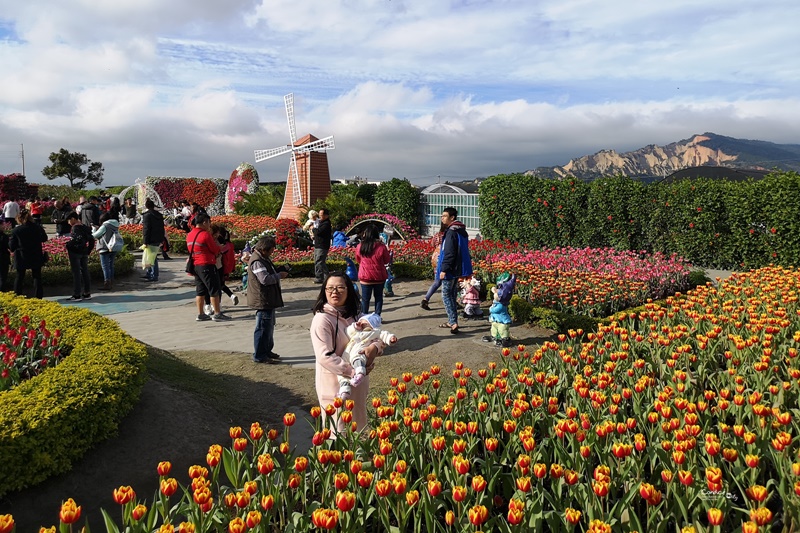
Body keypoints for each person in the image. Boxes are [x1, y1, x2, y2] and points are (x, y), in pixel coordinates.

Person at [310, 273, 385, 433]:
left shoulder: (356, 316)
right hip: (334, 383)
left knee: (357, 429)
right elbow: (325, 356)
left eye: (340, 288)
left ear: (349, 291)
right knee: (338, 431)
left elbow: (375, 337)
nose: (334, 292)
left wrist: (374, 349)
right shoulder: (322, 319)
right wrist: (352, 372)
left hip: (358, 383)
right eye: (330, 288)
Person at [247, 235, 290, 363]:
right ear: (264, 249)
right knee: (262, 328)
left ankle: (266, 351)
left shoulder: (262, 258)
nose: (272, 253)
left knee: (269, 327)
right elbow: (264, 279)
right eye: (271, 251)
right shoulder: (257, 261)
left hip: (268, 299)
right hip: (262, 300)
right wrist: (279, 275)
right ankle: (260, 355)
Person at [336, 313, 397, 399]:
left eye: (365, 322)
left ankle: (360, 372)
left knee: (358, 358)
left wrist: (390, 338)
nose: (362, 323)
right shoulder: (356, 332)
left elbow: (384, 334)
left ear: (372, 324)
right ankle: (344, 390)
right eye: (360, 321)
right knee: (341, 371)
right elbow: (347, 332)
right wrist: (355, 327)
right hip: (348, 352)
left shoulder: (375, 332)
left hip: (360, 350)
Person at [187, 213, 231, 322]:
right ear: (204, 222)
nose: (209, 225)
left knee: (200, 291)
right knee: (214, 289)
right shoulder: (205, 235)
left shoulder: (190, 234)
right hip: (206, 264)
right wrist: (219, 248)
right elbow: (214, 249)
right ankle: (217, 313)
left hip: (196, 265)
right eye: (209, 222)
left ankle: (201, 314)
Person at [437, 207, 473, 334]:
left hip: (451, 268)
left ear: (452, 217)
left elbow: (449, 252)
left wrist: (444, 269)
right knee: (451, 294)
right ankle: (452, 320)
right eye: (442, 216)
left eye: (445, 216)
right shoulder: (461, 230)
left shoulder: (452, 231)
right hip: (459, 268)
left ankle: (453, 322)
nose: (442, 218)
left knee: (446, 295)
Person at [8, 209, 48, 298]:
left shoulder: (16, 230)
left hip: (21, 256)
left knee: (19, 276)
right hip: (35, 254)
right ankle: (38, 296)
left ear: (19, 219)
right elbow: (44, 238)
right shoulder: (38, 227)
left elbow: (12, 247)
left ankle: (17, 295)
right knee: (37, 276)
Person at [355, 224, 391, 315]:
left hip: (365, 276)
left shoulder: (360, 246)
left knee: (365, 299)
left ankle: (364, 317)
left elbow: (358, 259)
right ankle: (377, 317)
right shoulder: (381, 246)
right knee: (378, 298)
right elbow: (386, 260)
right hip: (379, 276)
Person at [64, 211, 94, 301]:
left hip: (75, 252)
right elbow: (91, 239)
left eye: (69, 220)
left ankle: (77, 294)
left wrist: (68, 245)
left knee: (76, 273)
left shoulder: (75, 228)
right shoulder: (84, 227)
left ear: (73, 219)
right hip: (84, 251)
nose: (68, 222)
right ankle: (87, 293)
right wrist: (88, 250)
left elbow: (77, 239)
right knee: (85, 271)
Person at [93, 212, 124, 291]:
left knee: (105, 266)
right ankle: (111, 281)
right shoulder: (115, 224)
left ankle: (107, 283)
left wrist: (93, 230)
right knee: (111, 265)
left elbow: (95, 235)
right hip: (113, 247)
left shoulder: (105, 225)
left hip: (104, 248)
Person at [420, 223, 447, 310]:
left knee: (437, 281)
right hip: (444, 257)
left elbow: (432, 244)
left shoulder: (437, 235)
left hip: (436, 256)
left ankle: (426, 299)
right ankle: (451, 301)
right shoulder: (449, 234)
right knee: (448, 281)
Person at [141, 199, 165, 282]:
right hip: (158, 237)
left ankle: (154, 275)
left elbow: (146, 229)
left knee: (152, 257)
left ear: (146, 206)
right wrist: (162, 238)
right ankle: (149, 272)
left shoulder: (147, 215)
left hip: (150, 238)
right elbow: (162, 228)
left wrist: (145, 241)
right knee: (151, 256)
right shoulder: (159, 215)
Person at [313, 208, 332, 284]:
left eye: (322, 215)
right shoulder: (320, 222)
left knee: (319, 261)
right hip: (318, 244)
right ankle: (326, 276)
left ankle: (320, 277)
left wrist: (313, 229)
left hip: (322, 245)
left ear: (326, 215)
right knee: (320, 261)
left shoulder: (326, 224)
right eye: (319, 215)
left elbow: (319, 232)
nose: (320, 216)